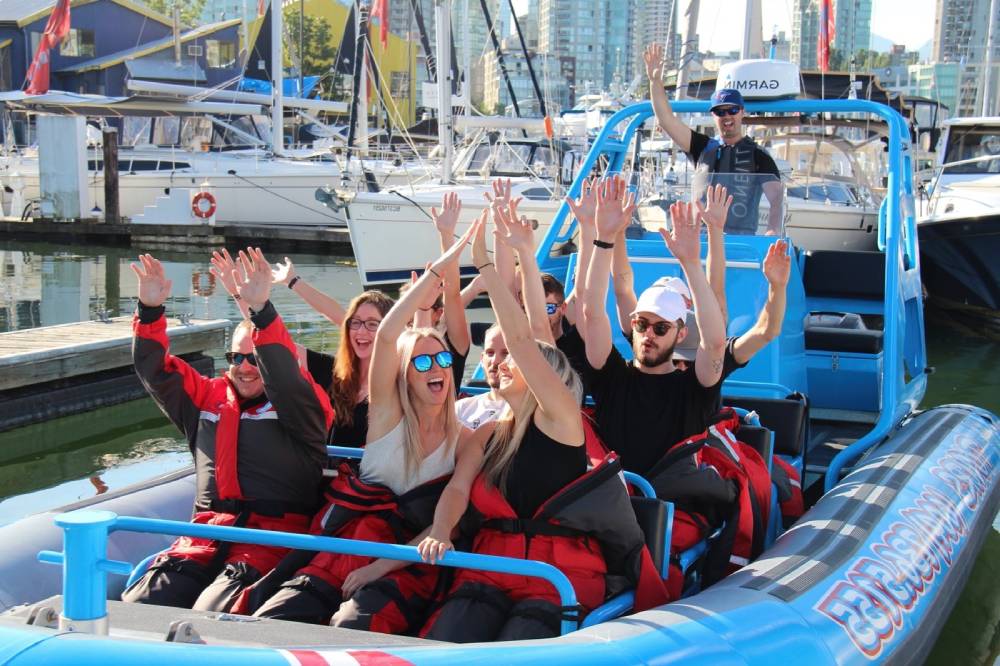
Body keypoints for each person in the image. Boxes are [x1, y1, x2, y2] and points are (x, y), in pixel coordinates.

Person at [417, 210, 669, 643]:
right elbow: (457, 490)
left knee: (523, 639)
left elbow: (523, 337)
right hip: (490, 569)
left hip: (555, 578)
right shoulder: (487, 434)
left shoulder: (562, 422)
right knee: (448, 634)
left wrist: (487, 265)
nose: (505, 363)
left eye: (518, 362)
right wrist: (440, 530)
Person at [250, 224, 490, 633]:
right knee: (274, 616)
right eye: (421, 361)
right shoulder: (387, 416)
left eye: (443, 360)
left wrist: (381, 565)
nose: (436, 368)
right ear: (403, 374)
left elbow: (451, 506)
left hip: (407, 556)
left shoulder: (467, 439)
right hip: (352, 539)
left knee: (353, 621)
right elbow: (389, 333)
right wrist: (439, 269)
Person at [124, 250, 333, 611]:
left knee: (213, 610)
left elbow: (285, 376)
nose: (245, 367)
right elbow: (156, 372)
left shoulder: (301, 405)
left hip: (269, 538)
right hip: (208, 532)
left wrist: (261, 310)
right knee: (142, 601)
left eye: (255, 359)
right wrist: (150, 311)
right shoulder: (206, 397)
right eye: (237, 357)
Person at [580, 175, 729, 477]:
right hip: (614, 498)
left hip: (673, 502)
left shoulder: (693, 388)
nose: (648, 334)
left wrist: (691, 263)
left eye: (660, 328)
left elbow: (715, 342)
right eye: (641, 324)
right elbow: (592, 311)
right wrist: (605, 237)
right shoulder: (612, 378)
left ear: (681, 333)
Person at [210, 250, 394, 447]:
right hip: (327, 465)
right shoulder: (334, 372)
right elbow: (275, 343)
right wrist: (241, 296)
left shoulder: (399, 382)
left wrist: (294, 282)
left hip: (370, 466)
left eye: (372, 324)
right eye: (355, 323)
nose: (361, 331)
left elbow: (339, 318)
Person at [644, 43, 783, 235]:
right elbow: (666, 120)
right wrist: (655, 81)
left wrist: (772, 231)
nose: (727, 116)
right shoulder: (702, 147)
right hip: (699, 238)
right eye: (720, 112)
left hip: (738, 242)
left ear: (742, 112)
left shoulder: (759, 155)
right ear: (713, 116)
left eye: (732, 110)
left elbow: (776, 198)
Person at [455, 323, 509, 429]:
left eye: (506, 353)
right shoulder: (460, 409)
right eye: (490, 353)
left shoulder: (534, 412)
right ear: (482, 359)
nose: (495, 361)